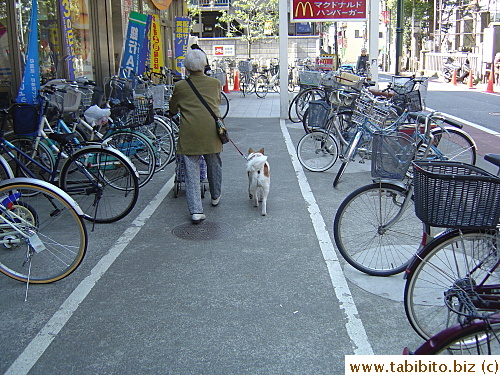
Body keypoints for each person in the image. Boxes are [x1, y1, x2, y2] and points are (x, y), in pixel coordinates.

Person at [169, 49, 223, 224]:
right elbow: (217, 103)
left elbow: (172, 109)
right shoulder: (215, 83)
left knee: (191, 170)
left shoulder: (180, 87)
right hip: (211, 131)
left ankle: (196, 211)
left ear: (186, 67)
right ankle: (215, 195)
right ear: (204, 64)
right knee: (213, 162)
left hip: (189, 133)